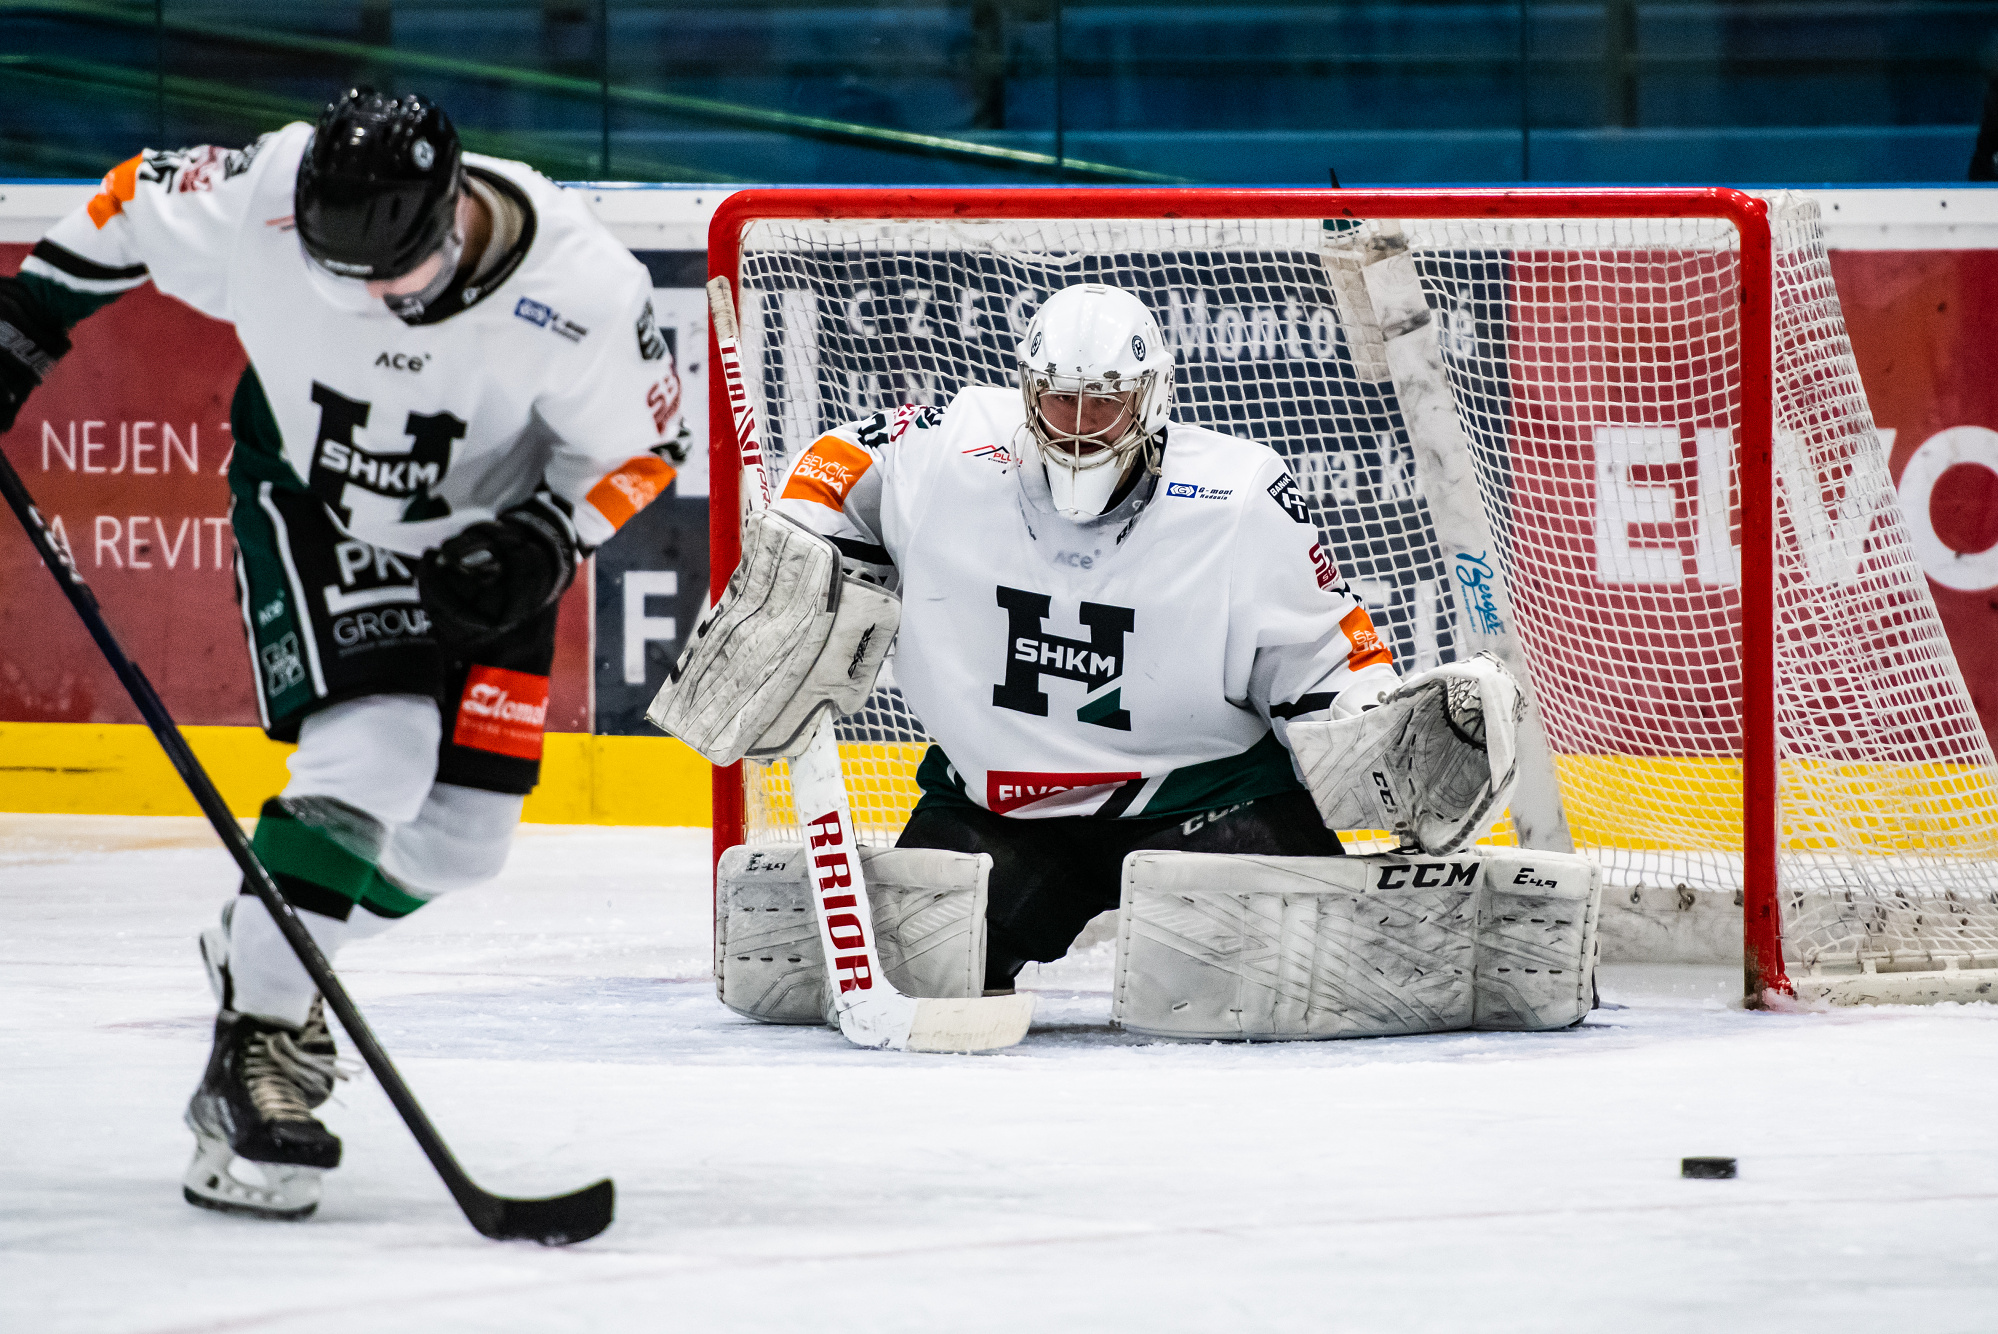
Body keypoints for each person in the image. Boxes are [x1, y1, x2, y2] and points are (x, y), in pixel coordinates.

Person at [0, 88, 689, 1219]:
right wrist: (25, 323)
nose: (365, 294)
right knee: (373, 750)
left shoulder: (581, 286)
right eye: (337, 265)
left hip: (488, 538)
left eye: (395, 273)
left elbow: (646, 450)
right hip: (314, 505)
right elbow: (130, 201)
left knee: (461, 845)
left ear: (454, 212)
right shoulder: (268, 189)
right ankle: (258, 1045)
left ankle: (263, 938)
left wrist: (551, 536)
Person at [759, 282, 1403, 993]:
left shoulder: (1240, 496)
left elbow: (1321, 659)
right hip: (1001, 808)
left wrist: (1375, 727)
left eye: (1104, 402)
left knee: (1295, 987)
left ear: (1150, 398)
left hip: (1205, 797)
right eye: (1061, 399)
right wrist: (799, 566)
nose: (1078, 424)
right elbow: (836, 463)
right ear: (1029, 392)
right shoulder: (949, 448)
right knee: (912, 976)